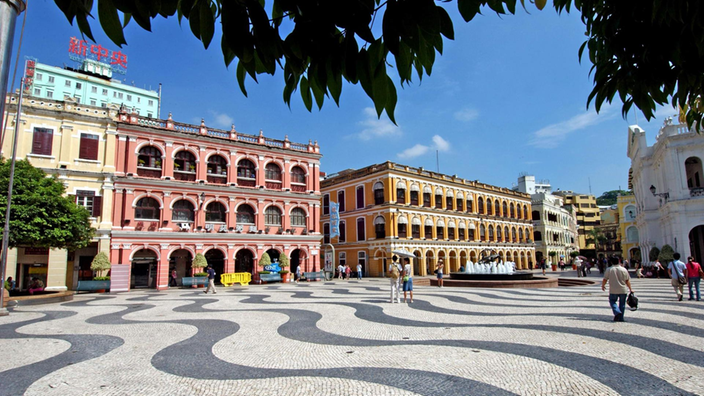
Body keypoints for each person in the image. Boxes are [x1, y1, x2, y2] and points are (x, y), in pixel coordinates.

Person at [601, 256, 634, 322]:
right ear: (619, 261)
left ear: (611, 262)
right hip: (623, 289)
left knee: (612, 301)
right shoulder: (624, 269)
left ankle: (617, 311)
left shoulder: (609, 269)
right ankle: (621, 318)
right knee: (622, 304)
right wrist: (630, 289)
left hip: (613, 289)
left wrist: (603, 285)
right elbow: (627, 280)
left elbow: (605, 279)